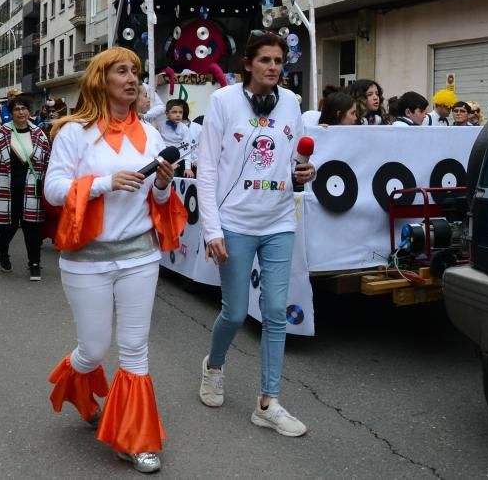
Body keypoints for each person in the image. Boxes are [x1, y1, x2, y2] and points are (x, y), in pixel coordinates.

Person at [44, 47, 186, 474]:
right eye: (121, 71)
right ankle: (78, 386)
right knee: (93, 348)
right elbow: (53, 190)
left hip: (139, 256)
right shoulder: (74, 132)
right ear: (100, 78)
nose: (132, 79)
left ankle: (136, 439)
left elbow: (159, 200)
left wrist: (162, 184)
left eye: (137, 73)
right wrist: (104, 183)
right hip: (85, 260)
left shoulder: (152, 134)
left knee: (134, 349)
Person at [196, 31, 316, 437]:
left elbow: (296, 158)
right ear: (247, 64)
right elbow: (208, 169)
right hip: (235, 224)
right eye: (265, 60)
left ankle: (268, 402)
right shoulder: (222, 101)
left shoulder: (292, 103)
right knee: (233, 311)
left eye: (279, 61)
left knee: (276, 311)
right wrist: (212, 229)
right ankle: (214, 366)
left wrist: (305, 173)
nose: (273, 67)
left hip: (279, 220)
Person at [0, 96, 51, 279]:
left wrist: (46, 182)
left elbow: (47, 162)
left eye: (24, 108)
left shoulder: (40, 134)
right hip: (6, 189)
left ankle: (34, 264)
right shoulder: (0, 133)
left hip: (31, 190)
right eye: (17, 109)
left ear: (29, 111)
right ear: (11, 112)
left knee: (32, 228)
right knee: (8, 227)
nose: (21, 112)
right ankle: (3, 254)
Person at [158, 99, 191, 177]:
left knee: (176, 174)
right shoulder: (160, 125)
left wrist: (188, 167)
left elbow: (186, 148)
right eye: (174, 112)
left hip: (178, 157)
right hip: (163, 156)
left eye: (180, 112)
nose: (178, 115)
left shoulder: (184, 129)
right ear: (167, 113)